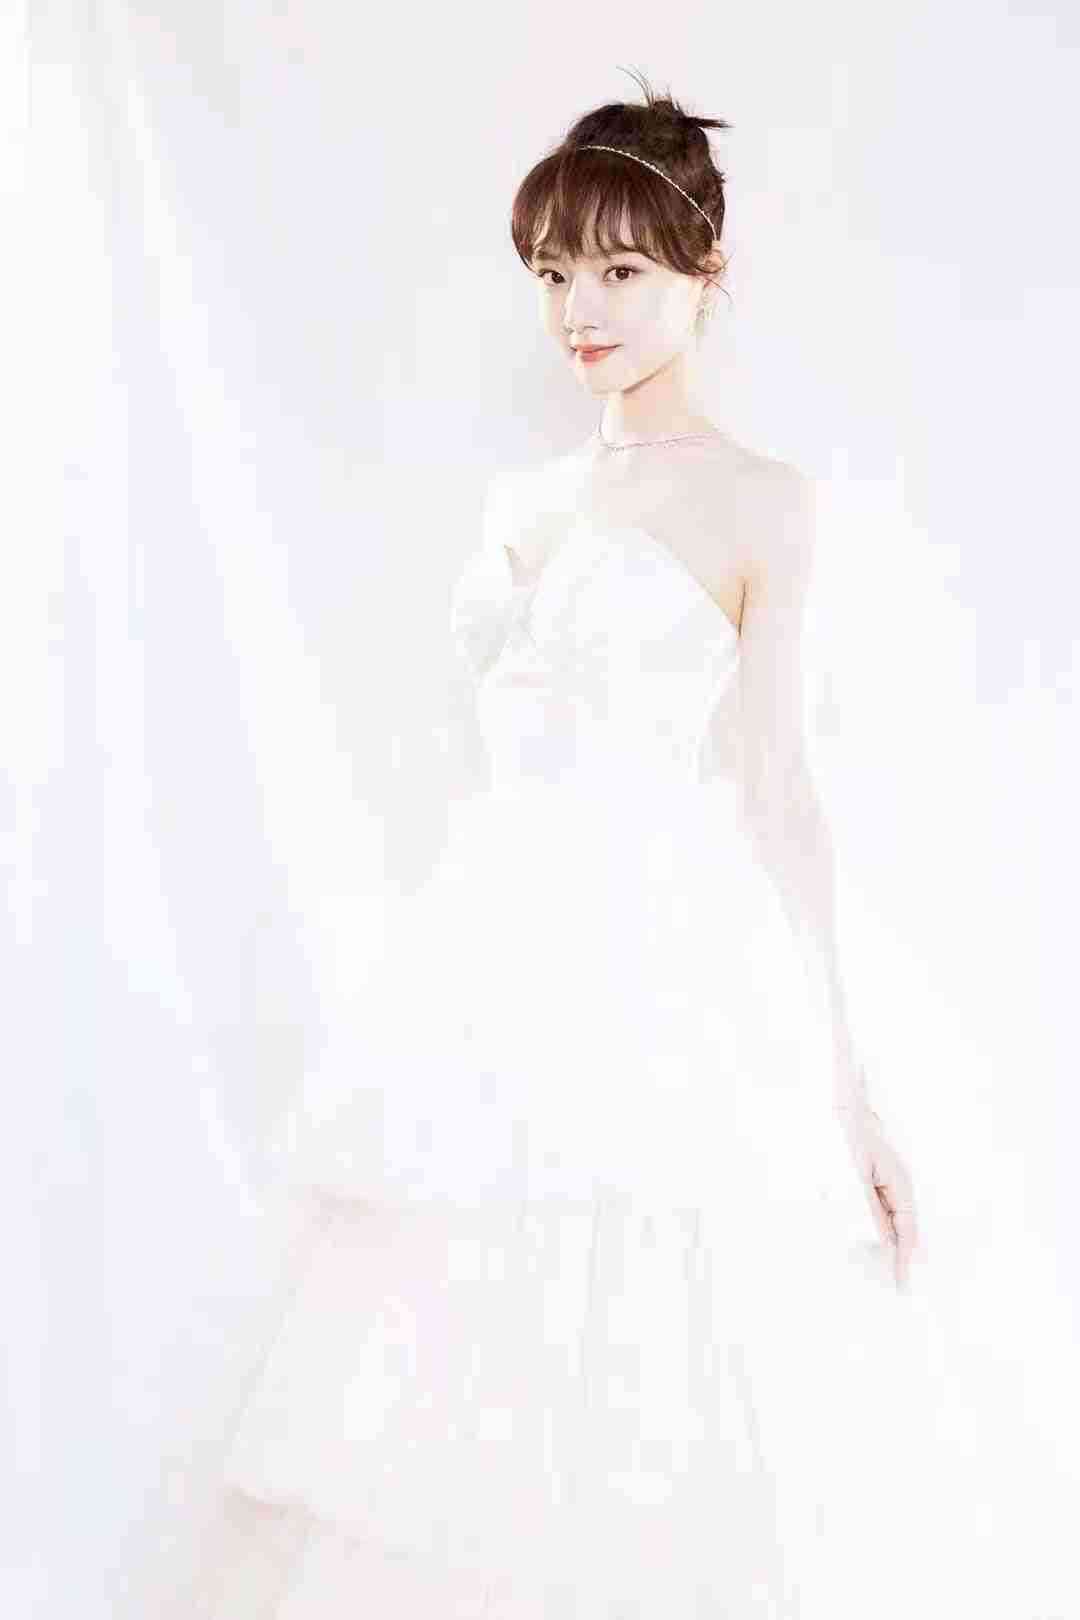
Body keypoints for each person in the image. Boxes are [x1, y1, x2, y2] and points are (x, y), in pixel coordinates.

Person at [142, 73, 1080, 1619]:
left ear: (707, 271)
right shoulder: (521, 501)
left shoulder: (764, 504)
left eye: (622, 270)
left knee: (673, 1363)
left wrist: (849, 1091)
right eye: (555, 274)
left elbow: (778, 787)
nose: (581, 311)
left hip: (671, 974)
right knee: (432, 1381)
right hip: (492, 973)